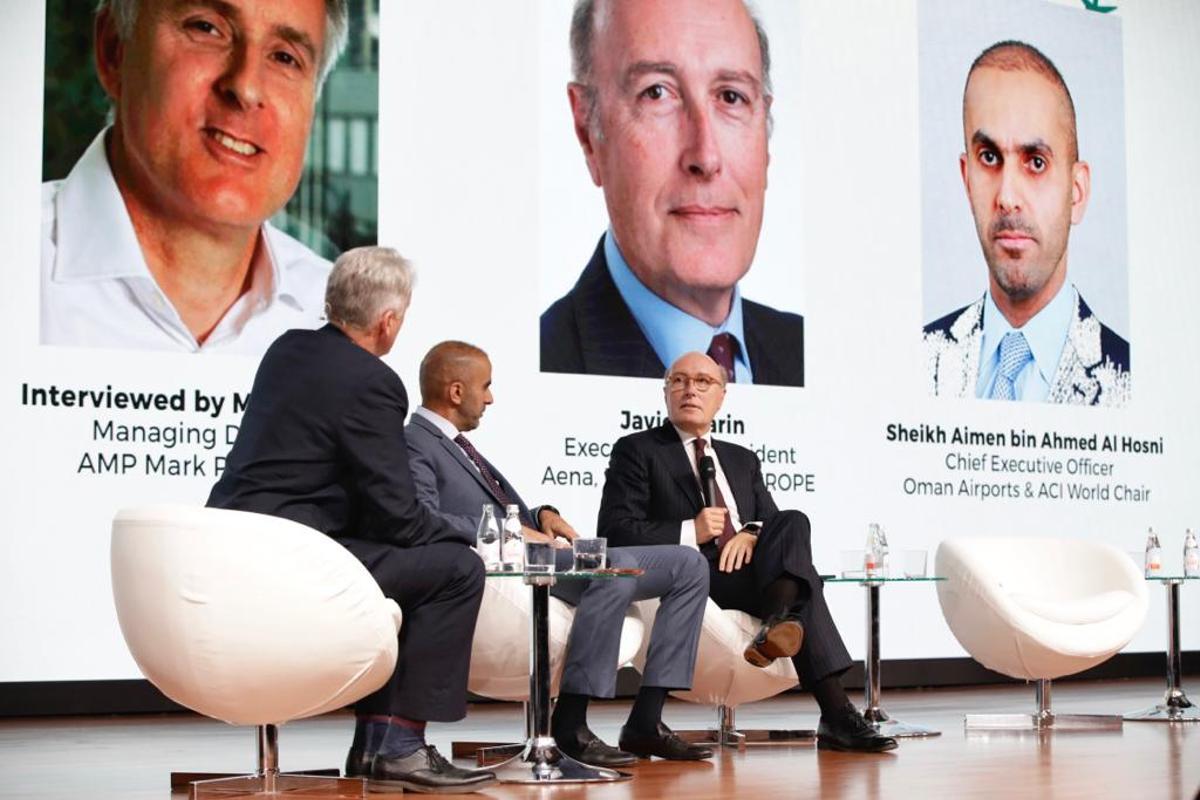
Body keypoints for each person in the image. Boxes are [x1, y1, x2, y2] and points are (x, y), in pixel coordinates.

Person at [207, 247, 496, 793]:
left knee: (418, 565)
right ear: (388, 322)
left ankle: (376, 748)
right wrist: (474, 532)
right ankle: (398, 745)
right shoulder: (374, 381)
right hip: (294, 557)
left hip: (234, 545)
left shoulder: (287, 349)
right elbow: (401, 520)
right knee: (456, 569)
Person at [405, 341, 712, 763]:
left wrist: (543, 515)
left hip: (533, 550)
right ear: (456, 392)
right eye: (486, 387)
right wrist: (514, 532)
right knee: (615, 563)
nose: (490, 398)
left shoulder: (454, 443)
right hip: (504, 564)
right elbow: (421, 515)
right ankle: (570, 721)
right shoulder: (417, 442)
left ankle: (646, 719)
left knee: (689, 565)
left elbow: (494, 506)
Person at [598, 351, 898, 753]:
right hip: (694, 571)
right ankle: (834, 710)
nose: (691, 389)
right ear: (665, 392)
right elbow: (615, 532)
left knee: (794, 520)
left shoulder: (741, 459)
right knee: (802, 582)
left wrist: (751, 534)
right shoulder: (637, 450)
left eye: (704, 382)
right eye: (680, 381)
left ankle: (779, 622)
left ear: (722, 397)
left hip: (752, 573)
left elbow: (774, 525)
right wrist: (692, 529)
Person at [41, 0, 346, 354]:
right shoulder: (16, 262)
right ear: (114, 51)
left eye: (285, 58)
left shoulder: (339, 320)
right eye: (206, 28)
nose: (246, 89)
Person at [540, 0, 804, 387]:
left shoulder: (805, 353)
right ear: (587, 132)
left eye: (731, 96)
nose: (706, 156)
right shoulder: (549, 360)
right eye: (656, 93)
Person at [923, 40, 1130, 406]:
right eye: (988, 157)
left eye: (1036, 162)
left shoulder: (1127, 378)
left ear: (1077, 192)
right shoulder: (920, 359)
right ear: (967, 178)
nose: (1007, 197)